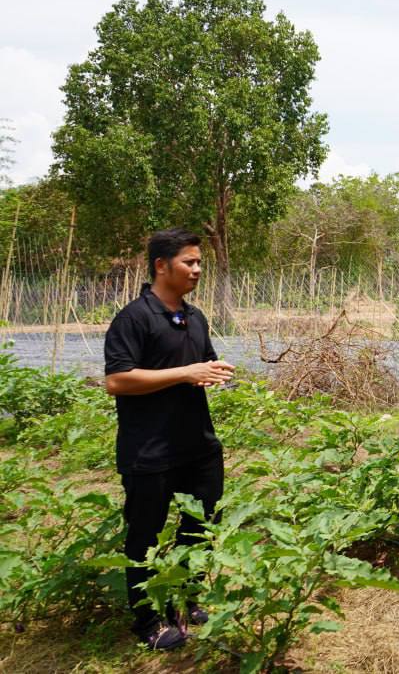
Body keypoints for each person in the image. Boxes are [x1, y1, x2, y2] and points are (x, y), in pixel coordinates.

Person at [104, 228, 235, 650]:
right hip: (149, 450)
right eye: (189, 262)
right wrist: (184, 373)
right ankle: (147, 622)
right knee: (144, 535)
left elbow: (201, 363)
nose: (198, 270)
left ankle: (188, 595)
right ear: (162, 266)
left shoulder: (194, 317)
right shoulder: (134, 318)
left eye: (199, 263)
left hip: (197, 443)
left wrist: (212, 371)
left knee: (201, 522)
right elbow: (118, 380)